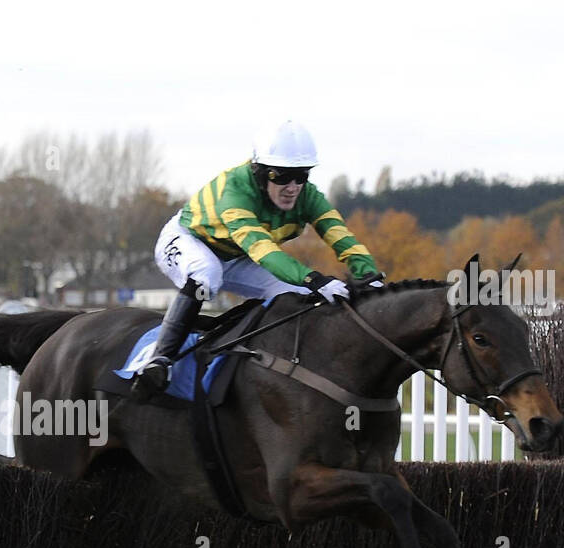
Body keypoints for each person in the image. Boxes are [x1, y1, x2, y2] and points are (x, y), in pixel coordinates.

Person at [135, 120, 385, 397]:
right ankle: (160, 360)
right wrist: (315, 279)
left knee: (297, 294)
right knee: (206, 275)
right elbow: (262, 250)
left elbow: (338, 233)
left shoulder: (308, 196)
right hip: (189, 241)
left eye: (300, 176)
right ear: (260, 172)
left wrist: (368, 274)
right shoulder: (235, 192)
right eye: (281, 176)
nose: (292, 187)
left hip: (237, 256)